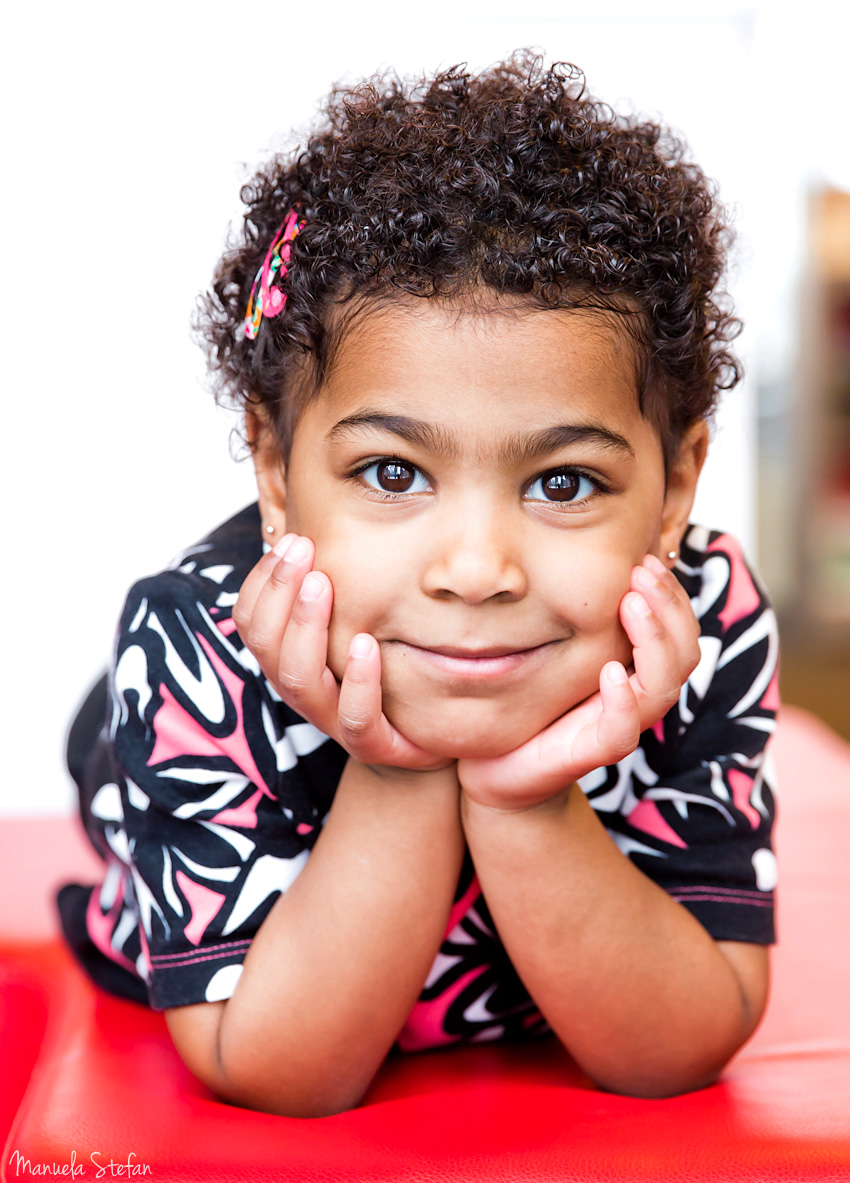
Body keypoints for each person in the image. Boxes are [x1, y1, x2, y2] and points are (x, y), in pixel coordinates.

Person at [58, 54, 779, 1119]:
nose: (475, 571)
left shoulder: (703, 620)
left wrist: (516, 793)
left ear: (674, 487)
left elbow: (680, 1045)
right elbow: (276, 1070)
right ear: (274, 470)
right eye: (392, 474)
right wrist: (396, 773)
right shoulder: (197, 646)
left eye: (563, 480)